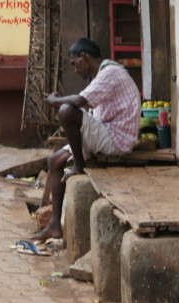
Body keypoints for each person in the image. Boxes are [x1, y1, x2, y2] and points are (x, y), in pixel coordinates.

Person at [31, 38, 141, 242]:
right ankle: (54, 226)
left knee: (66, 111)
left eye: (75, 63)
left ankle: (79, 166)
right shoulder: (102, 75)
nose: (75, 70)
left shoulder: (110, 73)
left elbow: (80, 101)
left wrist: (55, 101)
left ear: (85, 57)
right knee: (53, 162)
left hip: (117, 139)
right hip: (107, 133)